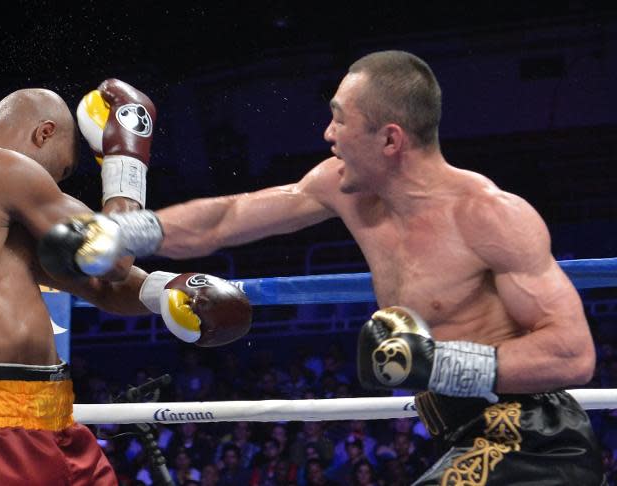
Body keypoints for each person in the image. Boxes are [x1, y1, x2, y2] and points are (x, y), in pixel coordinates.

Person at [94, 50, 604, 484]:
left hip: (536, 440)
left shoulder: (489, 216)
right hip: (468, 439)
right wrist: (122, 232)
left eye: (340, 118)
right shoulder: (343, 187)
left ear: (390, 140)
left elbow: (573, 354)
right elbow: (228, 218)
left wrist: (439, 363)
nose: (327, 132)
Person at [0, 82, 250, 485]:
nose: (57, 182)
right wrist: (125, 160)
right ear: (44, 133)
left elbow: (104, 285)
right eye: (64, 169)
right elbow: (117, 251)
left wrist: (170, 292)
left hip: (46, 417)